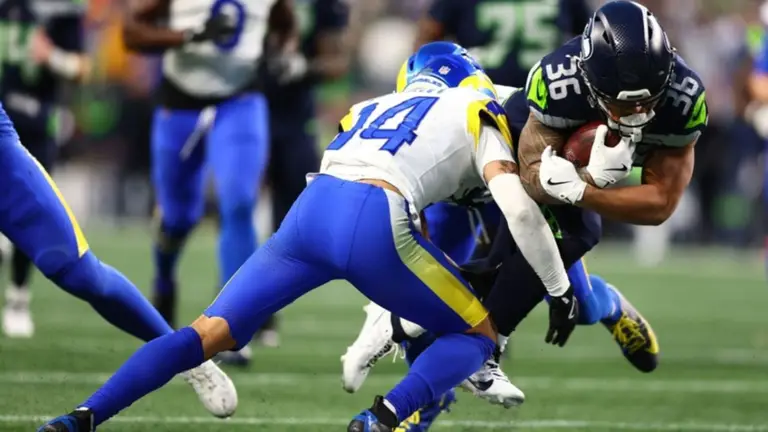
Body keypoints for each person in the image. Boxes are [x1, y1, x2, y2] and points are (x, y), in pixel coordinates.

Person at [37, 51, 576, 432]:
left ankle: (80, 417)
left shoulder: (369, 107)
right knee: (479, 335)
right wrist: (558, 289)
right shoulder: (477, 108)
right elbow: (517, 210)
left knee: (205, 334)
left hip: (311, 210)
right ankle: (382, 419)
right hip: (375, 215)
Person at [121, 0, 295, 327]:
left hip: (239, 99)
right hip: (180, 102)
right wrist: (187, 35)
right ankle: (164, 280)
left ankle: (233, 319)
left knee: (239, 202)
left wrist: (282, 53)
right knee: (177, 217)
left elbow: (286, 25)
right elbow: (130, 33)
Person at [0, 0, 87, 338]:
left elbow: (82, 68)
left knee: (29, 212)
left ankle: (18, 297)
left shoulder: (62, 9)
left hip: (36, 122)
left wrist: (52, 57)